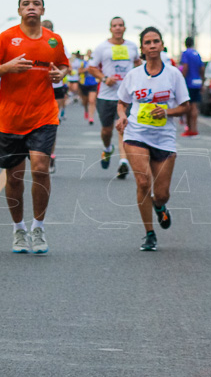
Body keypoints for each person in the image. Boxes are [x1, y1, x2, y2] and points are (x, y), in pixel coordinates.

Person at [0, 0, 68, 254]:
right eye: (26, 3)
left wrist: (59, 75)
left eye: (36, 3)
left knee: (40, 168)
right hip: (11, 119)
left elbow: (64, 66)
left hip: (44, 114)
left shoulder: (54, 41)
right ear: (19, 10)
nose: (31, 7)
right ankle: (19, 229)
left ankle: (38, 226)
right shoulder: (6, 38)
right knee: (15, 177)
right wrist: (7, 68)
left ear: (43, 10)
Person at [114, 27, 190, 251]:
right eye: (148, 42)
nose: (152, 45)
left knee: (162, 194)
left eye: (156, 41)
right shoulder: (133, 75)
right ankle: (149, 233)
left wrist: (166, 112)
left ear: (162, 45)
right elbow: (122, 103)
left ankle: (160, 207)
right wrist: (122, 118)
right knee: (143, 182)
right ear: (142, 49)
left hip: (164, 138)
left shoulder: (173, 74)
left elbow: (185, 106)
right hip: (136, 134)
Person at [88, 17, 139, 180]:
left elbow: (138, 63)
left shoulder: (132, 46)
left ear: (125, 28)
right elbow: (91, 67)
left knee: (123, 128)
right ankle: (107, 148)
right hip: (106, 95)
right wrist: (104, 78)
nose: (118, 28)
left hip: (126, 96)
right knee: (107, 131)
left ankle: (123, 162)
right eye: (114, 26)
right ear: (110, 29)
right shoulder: (102, 47)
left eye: (120, 25)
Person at [178, 36, 204, 137]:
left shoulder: (185, 53)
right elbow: (202, 68)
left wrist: (181, 80)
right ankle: (194, 128)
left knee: (188, 107)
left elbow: (185, 67)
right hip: (197, 82)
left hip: (188, 82)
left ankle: (190, 128)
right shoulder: (197, 54)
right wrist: (202, 80)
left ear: (185, 44)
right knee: (195, 106)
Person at [77, 49, 98, 123]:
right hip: (84, 83)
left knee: (92, 100)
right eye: (88, 53)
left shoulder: (95, 63)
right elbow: (79, 72)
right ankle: (86, 110)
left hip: (93, 83)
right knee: (85, 101)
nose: (89, 55)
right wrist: (86, 70)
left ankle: (91, 117)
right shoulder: (83, 63)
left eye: (91, 53)